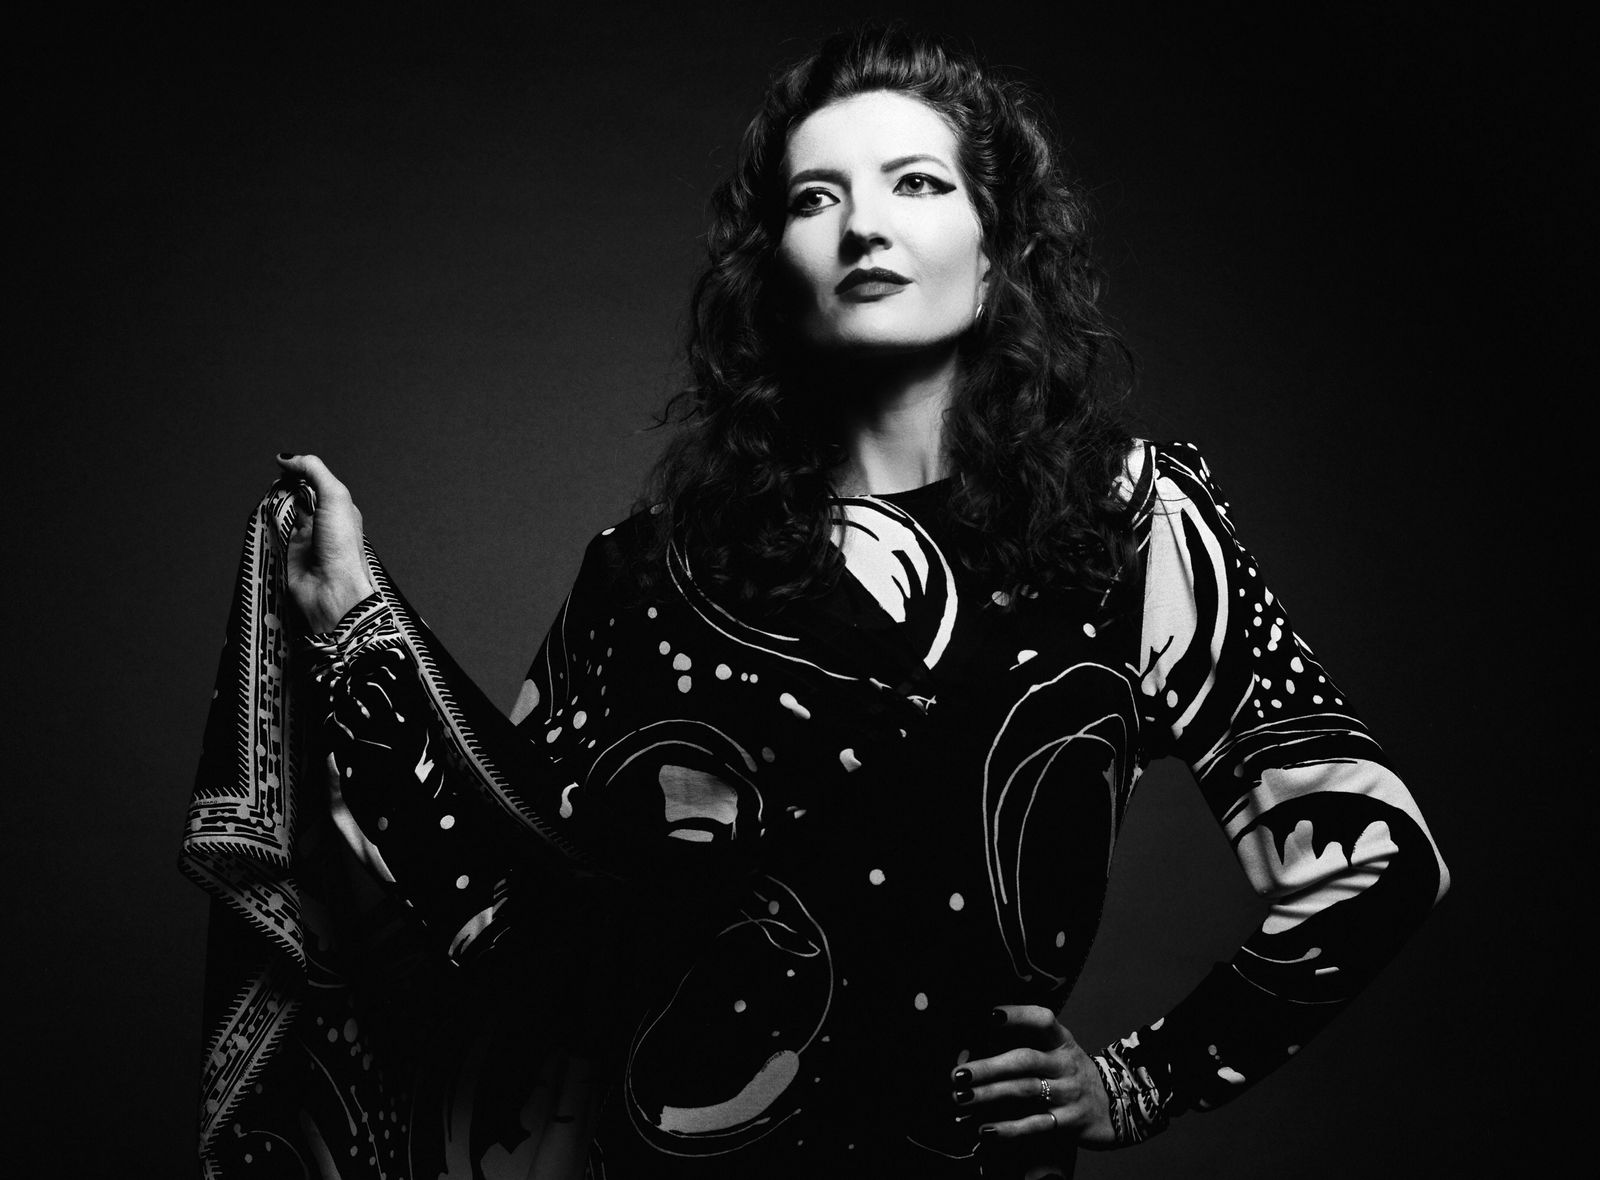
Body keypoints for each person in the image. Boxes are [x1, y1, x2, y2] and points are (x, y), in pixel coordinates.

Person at [252, 25, 1448, 1179]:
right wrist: (355, 631)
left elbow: (1379, 864)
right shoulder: (650, 570)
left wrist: (1139, 1081)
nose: (863, 223)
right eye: (815, 198)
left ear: (997, 250)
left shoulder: (1129, 522)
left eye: (916, 182)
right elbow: (523, 914)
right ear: (773, 270)